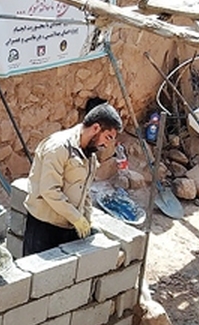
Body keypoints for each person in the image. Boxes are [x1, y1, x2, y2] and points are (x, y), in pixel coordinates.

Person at [22, 100, 123, 256]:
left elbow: (86, 190)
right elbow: (49, 190)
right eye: (108, 137)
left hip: (69, 226)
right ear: (96, 128)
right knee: (41, 278)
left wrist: (86, 220)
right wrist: (77, 218)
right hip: (44, 227)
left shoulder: (89, 154)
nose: (107, 144)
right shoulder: (59, 147)